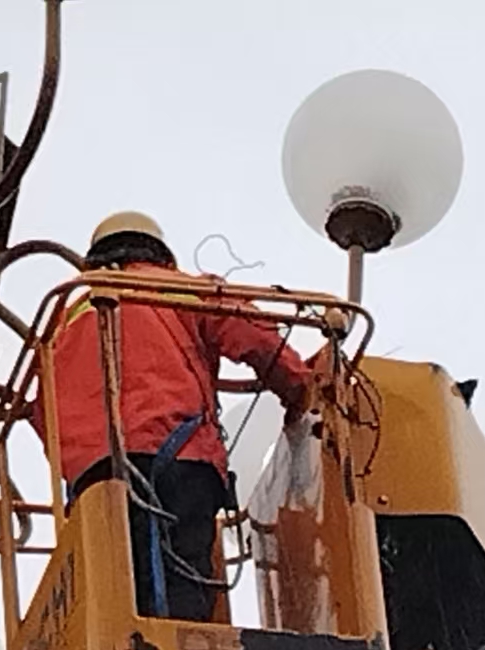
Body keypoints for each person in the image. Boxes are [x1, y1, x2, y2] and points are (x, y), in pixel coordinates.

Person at [29, 211, 316, 622]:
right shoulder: (177, 288)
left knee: (118, 593)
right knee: (182, 587)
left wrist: (81, 460)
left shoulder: (65, 318)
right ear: (160, 253)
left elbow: (44, 414)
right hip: (179, 459)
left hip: (95, 477)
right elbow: (254, 336)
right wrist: (300, 387)